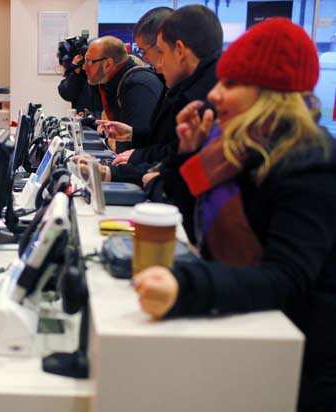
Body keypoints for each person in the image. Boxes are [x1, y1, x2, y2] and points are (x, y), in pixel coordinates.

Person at [132, 18, 336, 411]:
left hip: (303, 366)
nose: (216, 95)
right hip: (257, 333)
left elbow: (287, 275)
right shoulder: (239, 149)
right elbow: (193, 226)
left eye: (231, 84)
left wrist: (185, 287)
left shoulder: (312, 163)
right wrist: (187, 153)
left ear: (271, 94)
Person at [98, 5, 222, 186]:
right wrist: (133, 135)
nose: (158, 62)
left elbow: (176, 168)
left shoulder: (201, 99)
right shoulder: (185, 84)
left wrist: (142, 178)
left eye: (161, 51)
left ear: (179, 50)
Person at [83, 35, 162, 153]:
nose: (84, 67)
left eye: (89, 61)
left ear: (108, 64)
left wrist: (112, 141)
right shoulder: (111, 84)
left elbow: (136, 146)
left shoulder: (138, 86)